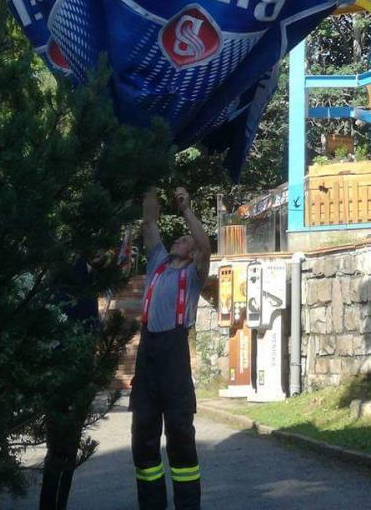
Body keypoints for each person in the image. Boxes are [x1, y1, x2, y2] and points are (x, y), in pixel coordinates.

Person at [130, 186, 211, 509]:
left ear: (192, 253)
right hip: (147, 361)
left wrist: (186, 209)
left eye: (184, 240)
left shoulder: (194, 275)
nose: (179, 240)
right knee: (143, 440)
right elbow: (150, 222)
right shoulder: (158, 263)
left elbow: (205, 247)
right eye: (178, 238)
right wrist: (149, 183)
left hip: (175, 363)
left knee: (180, 439)